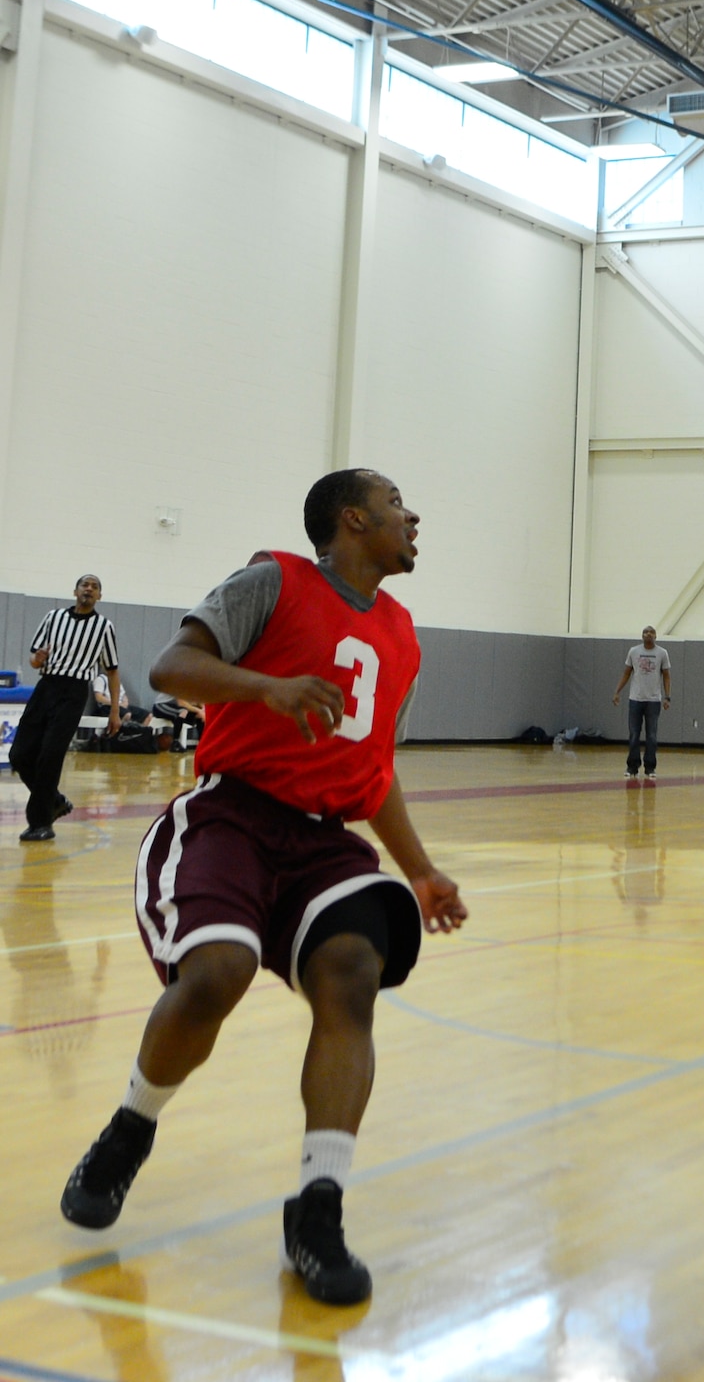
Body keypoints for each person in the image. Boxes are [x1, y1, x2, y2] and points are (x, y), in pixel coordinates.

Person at [59, 470, 467, 1307]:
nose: (412, 515)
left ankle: (318, 1207)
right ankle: (131, 1129)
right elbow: (172, 667)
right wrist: (267, 689)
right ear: (352, 519)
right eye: (396, 503)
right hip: (233, 815)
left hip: (325, 840)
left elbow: (375, 769)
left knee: (354, 972)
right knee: (216, 972)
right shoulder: (274, 580)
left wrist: (419, 868)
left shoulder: (402, 635)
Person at [14, 574, 121, 842]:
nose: (89, 589)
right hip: (46, 687)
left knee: (50, 756)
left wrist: (115, 710)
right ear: (75, 591)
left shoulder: (104, 627)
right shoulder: (53, 618)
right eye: (85, 584)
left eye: (95, 586)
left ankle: (40, 823)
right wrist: (36, 660)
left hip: (73, 692)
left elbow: (112, 671)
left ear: (100, 596)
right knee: (19, 754)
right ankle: (56, 800)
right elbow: (34, 660)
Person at [613, 626, 671, 779]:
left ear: (656, 636)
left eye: (651, 632)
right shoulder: (633, 651)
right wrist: (617, 691)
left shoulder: (662, 653)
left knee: (651, 735)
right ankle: (632, 767)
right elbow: (626, 673)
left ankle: (650, 767)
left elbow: (666, 676)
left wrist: (667, 697)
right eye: (645, 632)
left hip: (653, 700)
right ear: (642, 636)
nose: (648, 634)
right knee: (634, 734)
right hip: (635, 699)